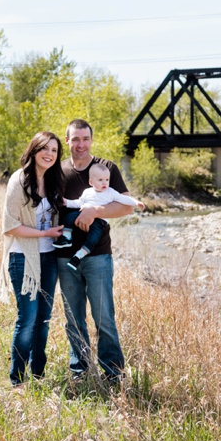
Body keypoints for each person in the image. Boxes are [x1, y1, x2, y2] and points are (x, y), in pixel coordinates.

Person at [55, 119, 134, 382]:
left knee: (104, 318)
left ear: (91, 139)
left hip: (98, 254)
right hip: (65, 256)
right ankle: (80, 370)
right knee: (73, 317)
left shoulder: (106, 168)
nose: (80, 144)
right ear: (66, 141)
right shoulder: (58, 169)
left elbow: (126, 206)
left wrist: (95, 211)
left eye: (85, 139)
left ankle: (114, 373)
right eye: (75, 139)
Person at [0, 131, 66, 388]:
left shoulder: (54, 180)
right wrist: (43, 233)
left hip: (49, 257)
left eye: (55, 150)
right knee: (27, 318)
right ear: (34, 150)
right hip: (24, 256)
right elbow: (10, 225)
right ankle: (17, 380)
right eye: (45, 148)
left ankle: (38, 375)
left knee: (44, 319)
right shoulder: (19, 180)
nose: (49, 154)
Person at [53, 162, 145, 271]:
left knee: (92, 240)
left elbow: (123, 199)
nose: (104, 183)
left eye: (107, 179)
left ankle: (78, 257)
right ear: (91, 182)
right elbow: (79, 203)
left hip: (100, 222)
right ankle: (66, 238)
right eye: (100, 180)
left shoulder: (111, 192)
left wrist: (135, 202)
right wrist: (66, 202)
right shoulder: (87, 192)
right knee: (68, 217)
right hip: (82, 214)